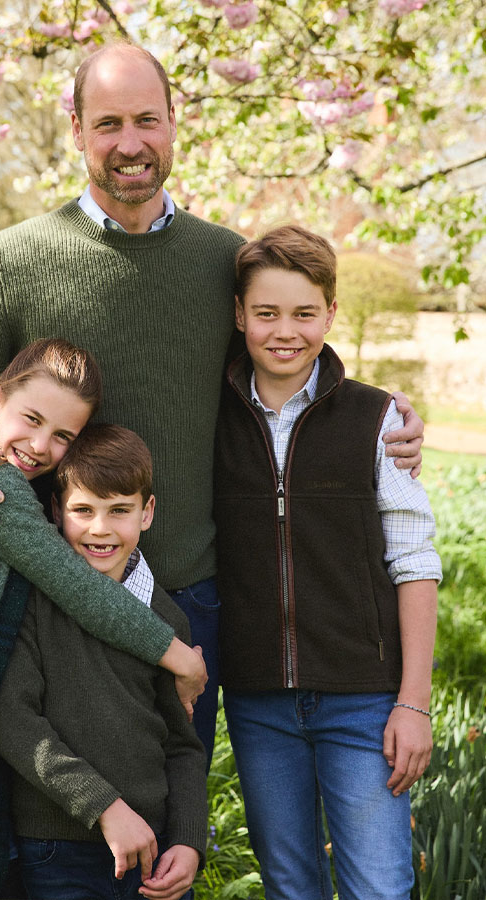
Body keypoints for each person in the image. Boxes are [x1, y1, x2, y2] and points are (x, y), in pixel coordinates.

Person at [0, 42, 425, 763]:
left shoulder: (223, 261)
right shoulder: (11, 261)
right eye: (108, 123)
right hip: (54, 592)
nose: (130, 144)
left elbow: (287, 370)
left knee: (170, 817)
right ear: (76, 127)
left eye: (147, 120)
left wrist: (384, 415)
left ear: (174, 123)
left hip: (189, 595)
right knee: (58, 830)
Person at [0, 339, 204, 900]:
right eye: (31, 419)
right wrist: (176, 654)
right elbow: (70, 581)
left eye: (62, 436)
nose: (40, 446)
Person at [214, 225, 441, 900]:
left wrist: (414, 703)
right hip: (259, 702)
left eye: (305, 313)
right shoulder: (212, 418)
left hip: (364, 700)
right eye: (266, 313)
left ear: (331, 313)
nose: (287, 331)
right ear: (238, 317)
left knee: (379, 885)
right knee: (291, 886)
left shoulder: (376, 420)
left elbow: (415, 561)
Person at [0, 424, 207, 900]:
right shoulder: (33, 603)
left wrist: (189, 841)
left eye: (119, 511)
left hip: (153, 855)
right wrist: (106, 807)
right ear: (56, 511)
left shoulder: (166, 619)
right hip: (58, 847)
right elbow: (14, 721)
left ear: (147, 512)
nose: (100, 529)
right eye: (83, 510)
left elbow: (183, 746)